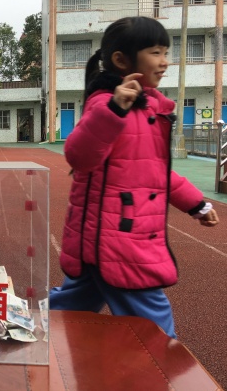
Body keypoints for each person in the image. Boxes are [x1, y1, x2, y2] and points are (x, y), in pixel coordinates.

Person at [49, 17, 219, 339]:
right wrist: (114, 111)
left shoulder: (150, 110)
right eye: (155, 52)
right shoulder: (107, 105)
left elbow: (153, 173)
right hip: (118, 240)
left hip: (105, 239)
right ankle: (162, 366)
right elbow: (79, 156)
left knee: (67, 310)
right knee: (153, 327)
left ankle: (19, 329)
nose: (164, 62)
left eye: (166, 52)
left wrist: (195, 203)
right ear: (121, 60)